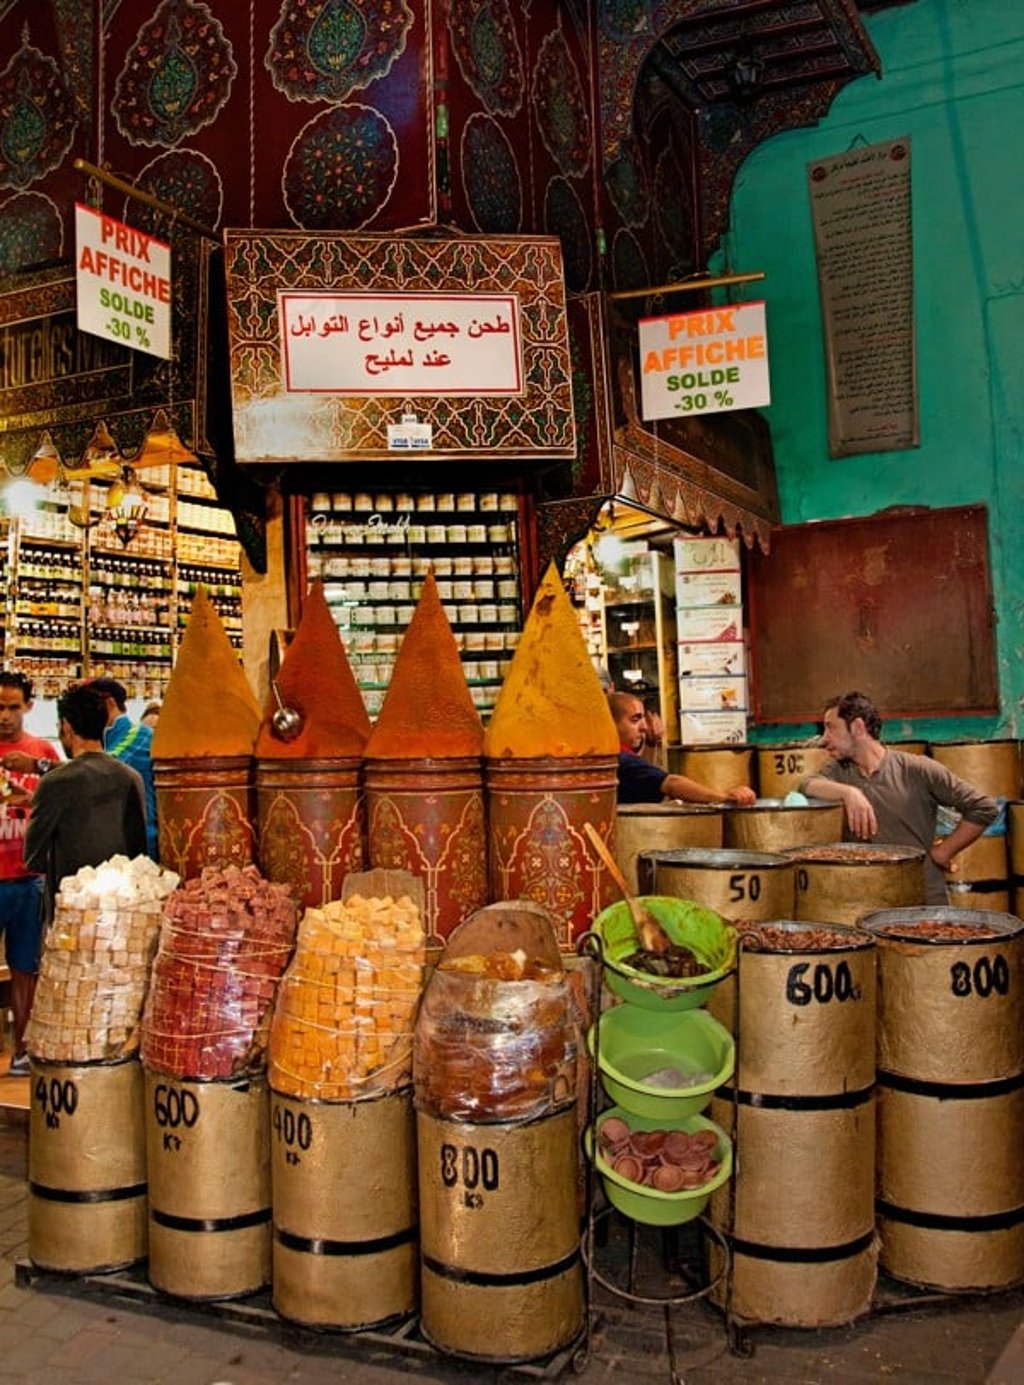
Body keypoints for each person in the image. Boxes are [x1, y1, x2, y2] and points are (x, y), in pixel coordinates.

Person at [800, 691, 1000, 905]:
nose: (824, 738)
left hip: (922, 902)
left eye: (830, 727)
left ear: (857, 727)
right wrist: (849, 793)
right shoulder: (838, 772)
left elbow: (983, 807)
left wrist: (944, 851)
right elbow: (806, 785)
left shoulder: (917, 769)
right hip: (866, 903)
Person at [24, 684, 147, 936]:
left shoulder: (55, 782)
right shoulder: (131, 777)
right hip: (121, 913)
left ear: (66, 726)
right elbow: (139, 850)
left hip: (71, 913)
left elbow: (33, 857)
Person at [0, 672, 61, 1074]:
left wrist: (31, 797)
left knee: (26, 967)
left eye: (12, 707)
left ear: (28, 707)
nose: (4, 715)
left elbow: (63, 803)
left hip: (27, 875)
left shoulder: (42, 754)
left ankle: (22, 1050)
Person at [608, 692, 756, 806]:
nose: (644, 727)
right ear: (611, 724)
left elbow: (646, 775)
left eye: (643, 719)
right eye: (635, 720)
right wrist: (724, 798)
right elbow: (671, 783)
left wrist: (651, 745)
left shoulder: (621, 757)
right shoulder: (619, 759)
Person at [87, 677, 159, 860]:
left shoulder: (139, 735)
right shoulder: (104, 739)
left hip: (145, 846)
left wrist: (41, 766)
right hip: (116, 847)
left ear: (109, 703)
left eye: (88, 705)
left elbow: (105, 767)